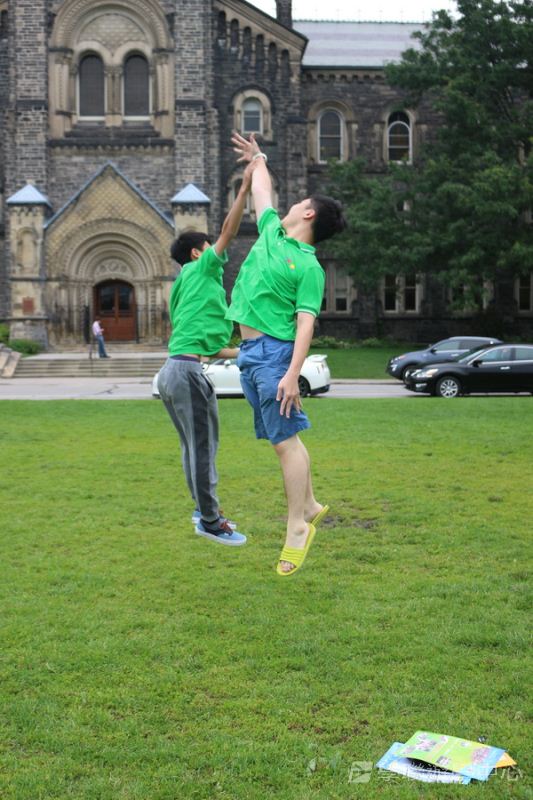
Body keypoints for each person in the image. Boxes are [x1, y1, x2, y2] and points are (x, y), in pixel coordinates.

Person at [228, 132, 346, 576]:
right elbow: (262, 188)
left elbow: (306, 322)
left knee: (285, 443)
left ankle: (297, 524)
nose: (292, 203)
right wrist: (257, 156)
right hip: (252, 353)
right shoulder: (272, 231)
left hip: (275, 356)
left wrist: (293, 373)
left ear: (309, 212)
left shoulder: (309, 266)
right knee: (285, 439)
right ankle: (311, 503)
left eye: (300, 201)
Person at [157, 159, 258, 547]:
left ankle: (203, 511)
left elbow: (212, 347)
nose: (219, 254)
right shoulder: (202, 271)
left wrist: (245, 352)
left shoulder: (184, 286)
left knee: (193, 446)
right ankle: (211, 521)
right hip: (185, 375)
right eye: (210, 249)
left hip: (174, 370)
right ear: (199, 254)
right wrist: (244, 188)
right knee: (203, 448)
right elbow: (229, 232)